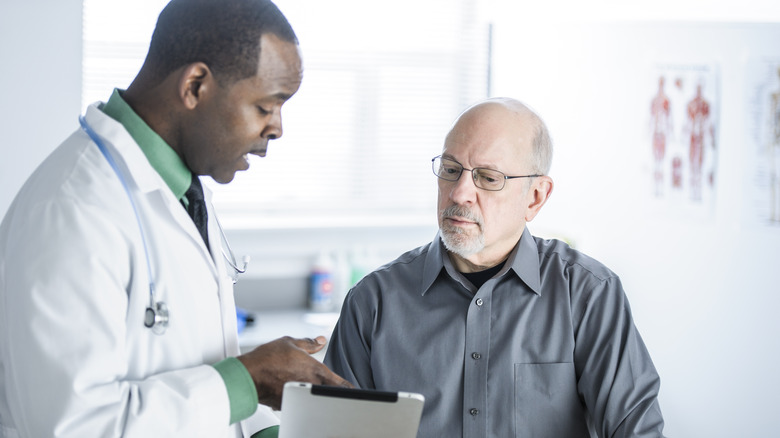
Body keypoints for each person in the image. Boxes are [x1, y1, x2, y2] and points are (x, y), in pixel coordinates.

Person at [0, 0, 350, 437]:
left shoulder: (179, 191)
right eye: (266, 106)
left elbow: (193, 367)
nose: (277, 128)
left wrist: (263, 427)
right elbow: (73, 426)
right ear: (195, 86)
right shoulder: (71, 210)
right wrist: (249, 380)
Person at [324, 97, 666, 437]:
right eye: (450, 170)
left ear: (535, 197)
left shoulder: (588, 295)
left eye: (488, 178)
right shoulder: (372, 301)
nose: (460, 194)